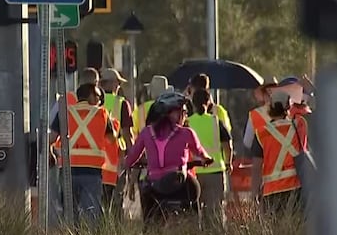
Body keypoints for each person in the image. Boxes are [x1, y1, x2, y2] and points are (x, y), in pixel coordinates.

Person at [125, 92, 214, 222]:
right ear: (171, 114)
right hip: (180, 183)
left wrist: (128, 164)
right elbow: (200, 152)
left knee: (148, 215)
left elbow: (132, 156)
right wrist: (206, 159)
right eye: (182, 112)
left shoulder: (146, 132)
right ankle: (195, 232)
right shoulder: (186, 132)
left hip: (155, 186)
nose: (185, 116)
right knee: (194, 193)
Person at [50, 83, 116, 222]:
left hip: (68, 169)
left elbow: (51, 138)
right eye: (98, 97)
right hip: (91, 171)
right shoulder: (101, 113)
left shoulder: (65, 113)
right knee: (90, 212)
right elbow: (111, 138)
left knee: (69, 211)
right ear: (91, 96)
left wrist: (51, 153)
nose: (99, 101)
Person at [249, 90, 305, 214]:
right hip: (296, 188)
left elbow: (257, 167)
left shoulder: (261, 134)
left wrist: (254, 194)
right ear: (288, 107)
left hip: (271, 192)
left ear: (270, 108)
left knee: (275, 231)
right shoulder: (299, 126)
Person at [188, 88, 233, 223]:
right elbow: (227, 145)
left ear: (193, 103)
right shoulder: (215, 121)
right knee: (215, 213)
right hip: (215, 172)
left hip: (193, 173)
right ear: (208, 103)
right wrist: (228, 162)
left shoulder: (188, 123)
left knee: (194, 213)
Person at [99, 68, 135, 209]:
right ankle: (114, 231)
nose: (118, 86)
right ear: (113, 84)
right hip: (116, 161)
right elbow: (127, 136)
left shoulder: (94, 101)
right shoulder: (122, 104)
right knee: (116, 204)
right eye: (118, 83)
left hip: (94, 161)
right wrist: (132, 161)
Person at [242, 82, 278, 151]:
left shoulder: (255, 114)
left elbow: (247, 142)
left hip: (263, 157)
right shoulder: (287, 111)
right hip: (286, 159)